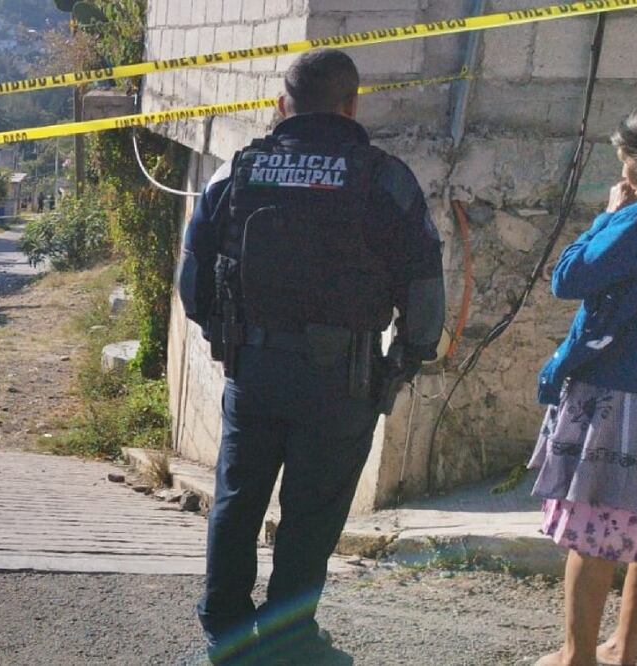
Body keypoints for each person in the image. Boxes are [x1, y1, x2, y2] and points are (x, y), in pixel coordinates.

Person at [179, 49, 445, 664]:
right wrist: (402, 364)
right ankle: (288, 637)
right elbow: (425, 287)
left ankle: (225, 631)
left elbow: (192, 283)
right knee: (312, 512)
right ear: (352, 105)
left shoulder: (236, 172)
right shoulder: (384, 177)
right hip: (343, 381)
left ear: (282, 104)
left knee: (237, 500)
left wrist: (232, 342)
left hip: (255, 369)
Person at [530, 100, 637, 666]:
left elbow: (571, 278)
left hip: (624, 397)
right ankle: (625, 648)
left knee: (593, 534)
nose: (623, 176)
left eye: (626, 163)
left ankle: (578, 656)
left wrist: (609, 216)